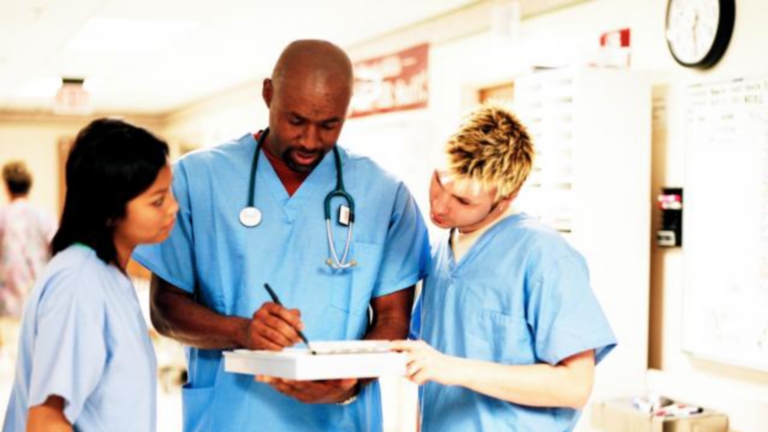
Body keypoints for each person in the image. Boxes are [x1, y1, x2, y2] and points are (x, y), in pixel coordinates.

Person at [133, 39, 429, 432]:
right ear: (267, 94)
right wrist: (241, 331)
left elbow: (393, 317)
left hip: (340, 419)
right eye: (296, 121)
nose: (310, 141)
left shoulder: (383, 194)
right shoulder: (196, 180)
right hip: (231, 416)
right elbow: (165, 309)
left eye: (329, 125)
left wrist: (350, 383)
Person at [391, 103, 617, 432]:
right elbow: (431, 378)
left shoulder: (544, 257)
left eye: (464, 201)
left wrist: (452, 369)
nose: (440, 205)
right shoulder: (439, 254)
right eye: (440, 181)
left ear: (507, 196)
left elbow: (575, 385)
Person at [3, 118, 178, 432]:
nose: (173, 208)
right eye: (157, 201)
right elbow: (46, 422)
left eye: (170, 194)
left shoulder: (107, 275)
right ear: (110, 211)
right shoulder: (78, 284)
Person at [0, 161, 56, 318]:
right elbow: (57, 248)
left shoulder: (2, 216)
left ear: (7, 187)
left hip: (7, 300)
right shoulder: (44, 216)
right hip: (39, 296)